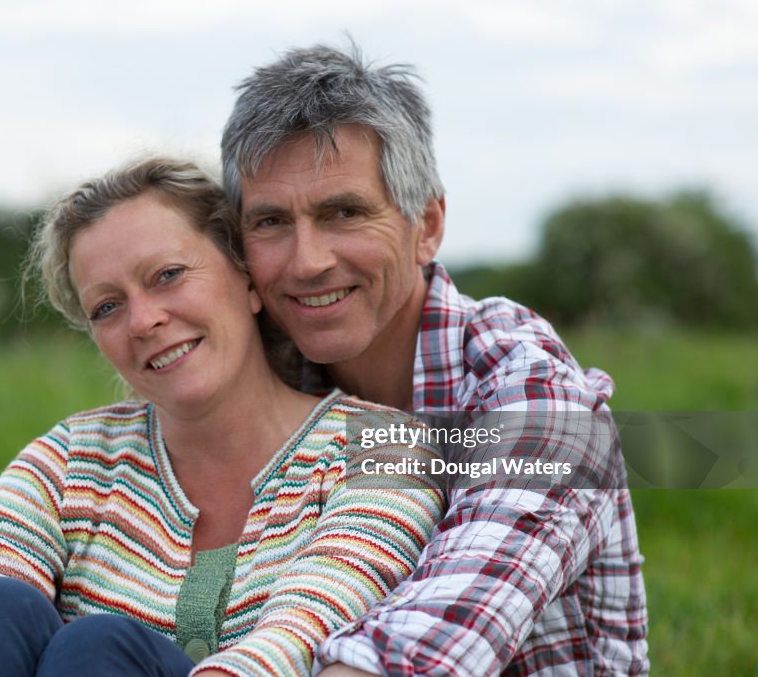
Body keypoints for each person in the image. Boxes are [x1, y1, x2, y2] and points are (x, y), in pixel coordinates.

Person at [0, 157, 444, 677]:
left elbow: (296, 639)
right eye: (107, 307)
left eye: (168, 275)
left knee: (98, 650)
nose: (143, 321)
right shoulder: (65, 462)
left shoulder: (384, 450)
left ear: (247, 279)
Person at [220, 43, 649, 676]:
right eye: (271, 222)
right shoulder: (271, 375)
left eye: (344, 212)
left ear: (427, 224)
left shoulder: (530, 384)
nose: (306, 261)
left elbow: (440, 637)